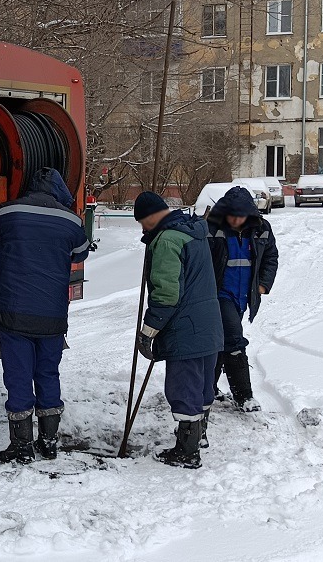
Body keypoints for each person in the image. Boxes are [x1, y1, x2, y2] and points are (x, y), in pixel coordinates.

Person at [0, 167, 91, 464]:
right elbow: (81, 252)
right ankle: (48, 441)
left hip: (14, 313)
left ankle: (20, 446)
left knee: (18, 376)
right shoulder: (70, 220)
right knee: (47, 373)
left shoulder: (9, 213)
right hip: (52, 316)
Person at [132, 191, 223, 469]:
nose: (142, 229)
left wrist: (149, 330)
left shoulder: (168, 239)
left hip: (186, 328)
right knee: (203, 385)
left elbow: (166, 293)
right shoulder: (192, 231)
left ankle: (187, 451)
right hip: (208, 324)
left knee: (184, 387)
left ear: (148, 217)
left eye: (141, 223)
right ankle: (199, 437)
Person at [205, 186, 279, 414]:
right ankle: (244, 396)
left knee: (220, 342)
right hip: (219, 295)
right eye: (232, 214)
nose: (236, 219)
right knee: (235, 341)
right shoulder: (211, 229)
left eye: (241, 215)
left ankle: (209, 389)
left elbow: (270, 256)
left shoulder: (261, 229)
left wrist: (263, 284)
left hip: (242, 297)